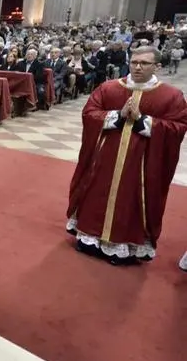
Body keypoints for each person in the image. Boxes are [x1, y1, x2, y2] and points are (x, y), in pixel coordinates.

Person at [66, 46, 187, 265]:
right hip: (106, 155)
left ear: (157, 66)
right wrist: (117, 116)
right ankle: (90, 238)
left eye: (144, 63)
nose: (137, 67)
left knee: (130, 198)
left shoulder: (171, 96)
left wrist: (142, 120)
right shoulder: (109, 88)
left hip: (141, 163)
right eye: (134, 62)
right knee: (97, 191)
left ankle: (125, 246)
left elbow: (178, 126)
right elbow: (90, 113)